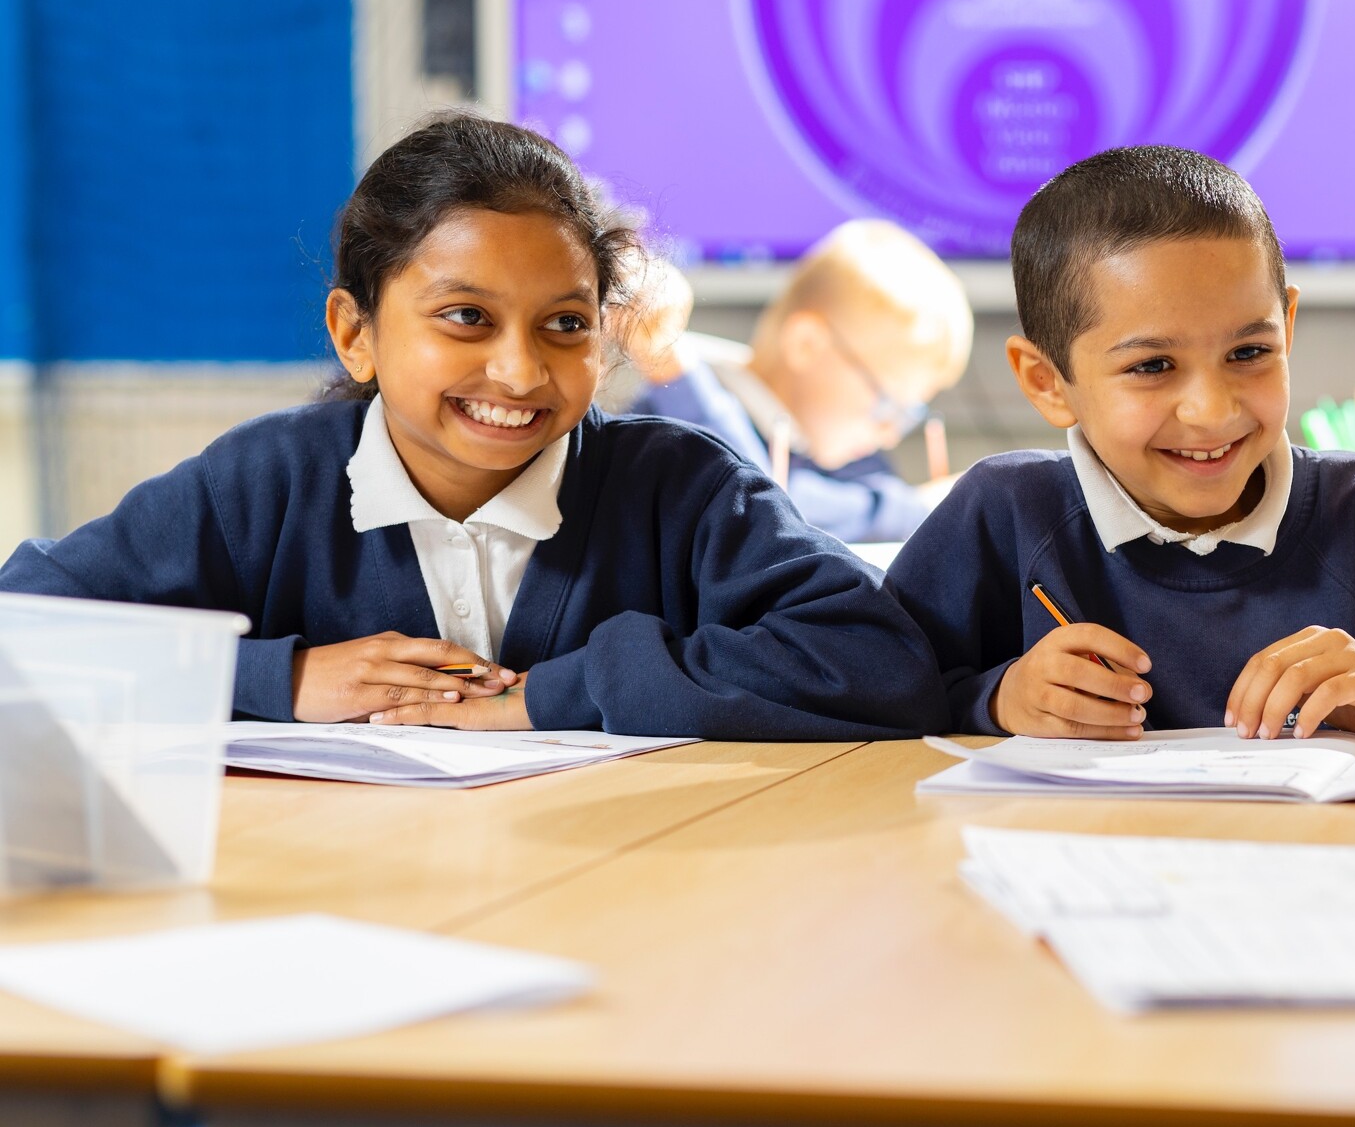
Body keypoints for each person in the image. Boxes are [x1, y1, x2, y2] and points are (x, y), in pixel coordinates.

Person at [0, 114, 946, 740]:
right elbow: (22, 630)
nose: (520, 371)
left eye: (566, 325)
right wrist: (277, 684)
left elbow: (881, 659)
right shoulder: (267, 484)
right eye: (466, 318)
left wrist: (550, 697)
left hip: (627, 900)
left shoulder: (681, 488)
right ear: (356, 333)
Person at [887, 146, 1355, 738]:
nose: (1211, 410)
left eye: (1249, 351)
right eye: (1152, 366)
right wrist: (998, 700)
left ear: (1287, 325)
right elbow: (863, 700)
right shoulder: (1003, 515)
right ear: (1047, 380)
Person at [624, 220, 972, 542]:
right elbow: (767, 509)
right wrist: (675, 371)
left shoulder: (839, 455)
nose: (891, 433)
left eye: (908, 415)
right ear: (807, 345)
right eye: (886, 404)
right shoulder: (672, 422)